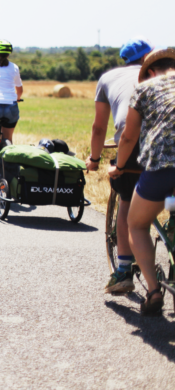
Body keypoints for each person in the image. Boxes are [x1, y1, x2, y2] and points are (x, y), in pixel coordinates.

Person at [109, 48, 175, 315]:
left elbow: (127, 137)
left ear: (149, 71)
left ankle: (153, 291)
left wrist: (119, 166)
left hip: (163, 166)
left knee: (136, 224)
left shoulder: (146, 88)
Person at [86, 37, 153, 293]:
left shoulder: (108, 78)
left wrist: (93, 159)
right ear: (149, 57)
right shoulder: (163, 73)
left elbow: (99, 126)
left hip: (132, 143)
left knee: (126, 198)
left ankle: (123, 270)